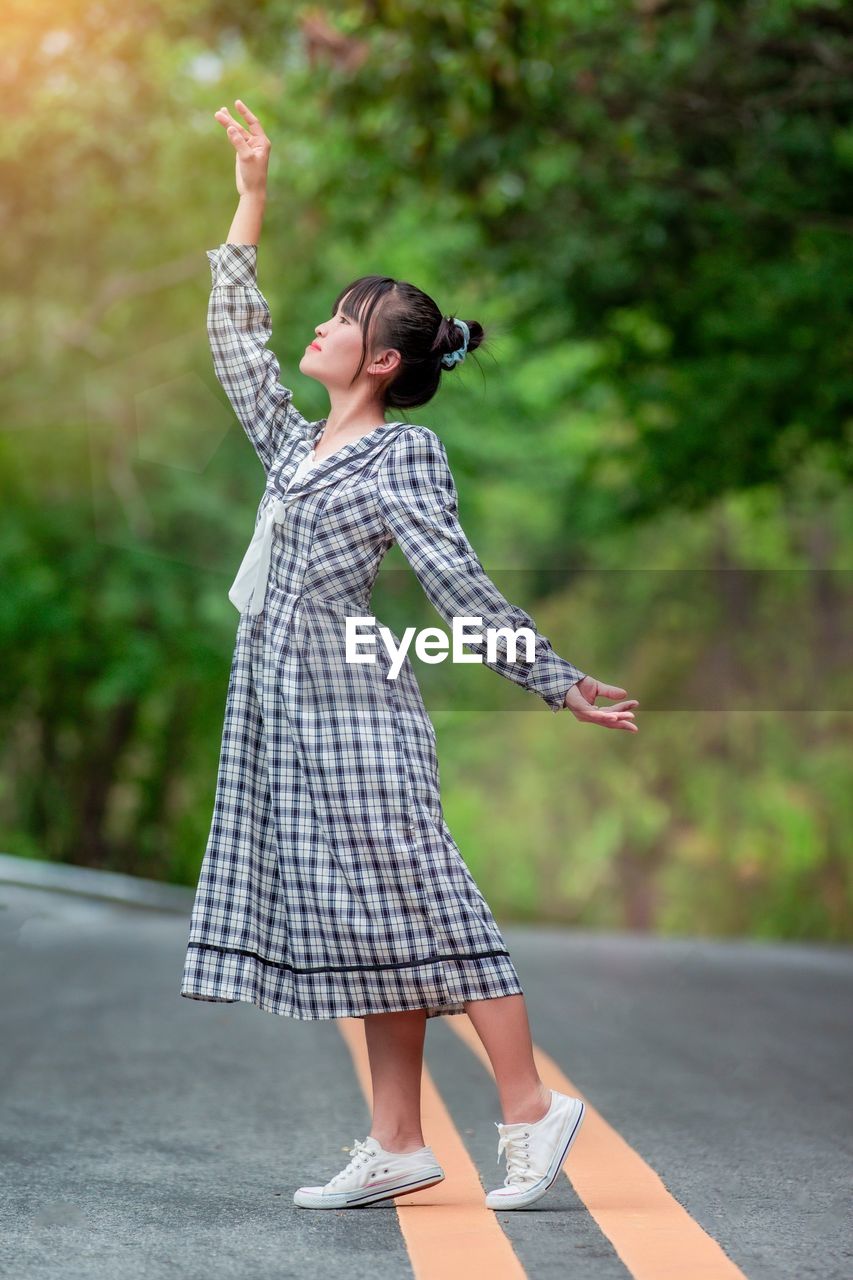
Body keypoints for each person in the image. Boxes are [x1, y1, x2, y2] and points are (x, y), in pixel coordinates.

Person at [181, 100, 640, 1212]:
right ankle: (396, 1140)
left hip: (356, 713)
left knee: (427, 901)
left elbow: (457, 585)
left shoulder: (404, 454)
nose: (325, 327)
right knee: (367, 924)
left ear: (381, 360)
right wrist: (251, 196)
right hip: (287, 711)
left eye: (345, 320)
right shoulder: (298, 445)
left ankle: (529, 1106)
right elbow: (235, 343)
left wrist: (553, 677)